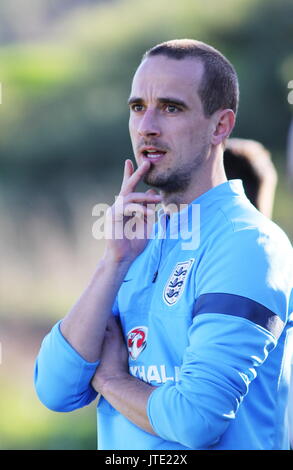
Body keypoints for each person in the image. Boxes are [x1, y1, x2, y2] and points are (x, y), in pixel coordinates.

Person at [34, 39, 293, 450]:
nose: (146, 126)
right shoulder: (135, 242)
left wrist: (112, 379)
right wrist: (112, 262)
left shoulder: (249, 243)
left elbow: (195, 421)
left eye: (171, 108)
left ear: (220, 126)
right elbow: (54, 389)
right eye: (138, 107)